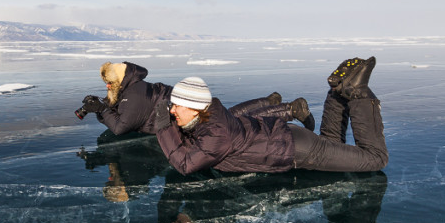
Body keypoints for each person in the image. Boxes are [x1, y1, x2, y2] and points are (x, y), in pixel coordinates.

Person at [153, 57, 388, 175]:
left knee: (375, 159)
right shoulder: (209, 115)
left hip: (298, 149)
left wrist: (163, 126)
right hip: (288, 138)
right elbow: (186, 141)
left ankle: (357, 93)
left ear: (195, 107)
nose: (173, 111)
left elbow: (186, 164)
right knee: (332, 141)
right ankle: (338, 90)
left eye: (177, 106)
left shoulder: (217, 134)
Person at [77, 61, 314, 135]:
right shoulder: (133, 89)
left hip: (187, 112)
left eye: (110, 83)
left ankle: (289, 110)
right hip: (188, 105)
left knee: (235, 123)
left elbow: (120, 127)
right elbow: (118, 111)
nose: (107, 87)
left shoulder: (135, 95)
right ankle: (269, 102)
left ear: (120, 81)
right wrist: (100, 107)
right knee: (229, 115)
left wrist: (102, 109)